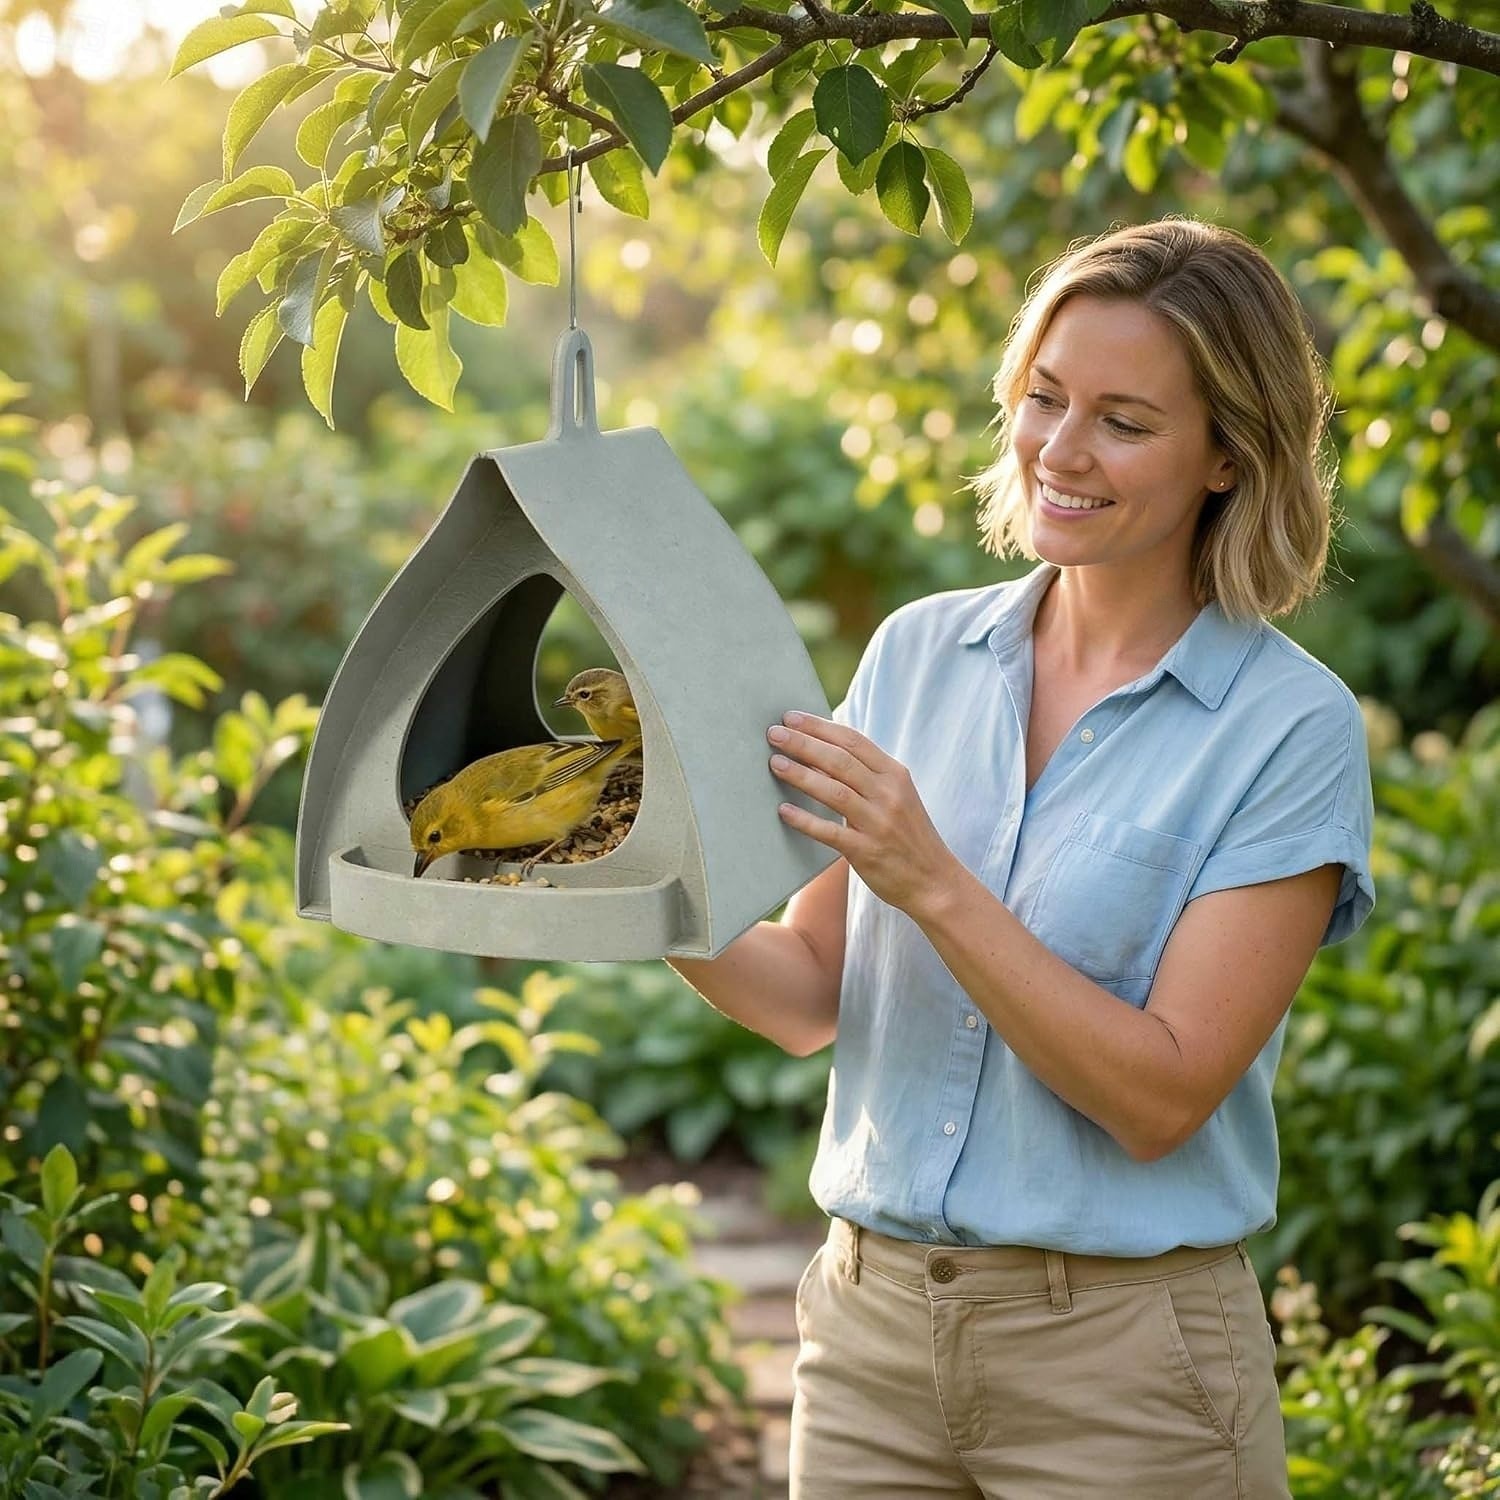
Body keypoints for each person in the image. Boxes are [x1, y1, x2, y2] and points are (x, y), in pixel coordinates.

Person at [667, 216, 1376, 1499]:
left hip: (1127, 1378)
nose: (1059, 449)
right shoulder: (919, 653)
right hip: (871, 1341)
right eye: (1043, 399)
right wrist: (638, 888)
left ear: (1228, 454)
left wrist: (933, 880)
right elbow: (806, 995)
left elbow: (1162, 1098)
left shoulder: (1288, 728)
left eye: (1124, 419)